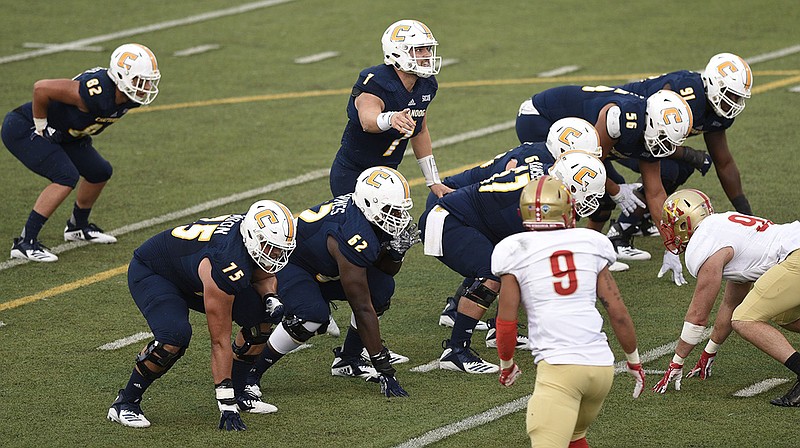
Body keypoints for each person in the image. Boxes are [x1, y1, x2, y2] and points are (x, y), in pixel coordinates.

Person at [107, 200, 297, 430]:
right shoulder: (225, 262)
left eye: (280, 248)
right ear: (253, 237)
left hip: (192, 272)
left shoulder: (251, 237)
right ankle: (125, 402)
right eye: (271, 247)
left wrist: (270, 296)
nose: (276, 254)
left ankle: (239, 392)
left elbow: (264, 273)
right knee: (173, 336)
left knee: (263, 320)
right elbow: (219, 340)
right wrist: (225, 405)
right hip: (156, 273)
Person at [420, 151, 607, 373]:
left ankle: (496, 330)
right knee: (493, 274)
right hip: (448, 220)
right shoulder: (539, 198)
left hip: (469, 220)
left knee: (507, 270)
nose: (589, 202)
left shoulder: (546, 180)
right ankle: (456, 350)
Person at [492, 175, 645, 448]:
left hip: (560, 369)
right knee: (575, 439)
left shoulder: (514, 249)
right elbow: (617, 310)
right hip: (601, 369)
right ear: (568, 211)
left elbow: (506, 320)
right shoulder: (590, 241)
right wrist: (633, 360)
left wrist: (506, 364)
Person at [241, 166, 414, 404]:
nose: (397, 216)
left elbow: (385, 271)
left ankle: (348, 360)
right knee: (311, 315)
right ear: (369, 203)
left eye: (399, 210)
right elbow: (361, 307)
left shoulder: (368, 216)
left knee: (382, 289)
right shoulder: (352, 231)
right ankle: (250, 374)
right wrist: (383, 366)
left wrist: (395, 255)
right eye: (390, 210)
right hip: (292, 266)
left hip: (324, 267)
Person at [433, 118, 622, 334]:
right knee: (507, 266)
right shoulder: (538, 174)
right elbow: (499, 192)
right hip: (451, 199)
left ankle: (474, 316)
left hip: (476, 208)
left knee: (500, 261)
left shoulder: (550, 169)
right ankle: (479, 327)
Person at [515, 86, 694, 282]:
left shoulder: (649, 127)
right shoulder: (619, 118)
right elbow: (588, 166)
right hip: (540, 117)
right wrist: (616, 190)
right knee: (561, 194)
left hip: (579, 137)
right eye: (663, 138)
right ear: (651, 123)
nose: (665, 147)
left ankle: (585, 254)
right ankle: (542, 259)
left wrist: (671, 247)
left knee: (602, 194)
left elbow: (656, 193)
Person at [3, 43, 161, 262]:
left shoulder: (129, 98)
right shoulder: (95, 90)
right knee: (65, 176)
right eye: (139, 80)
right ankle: (24, 242)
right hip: (26, 126)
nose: (145, 87)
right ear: (121, 76)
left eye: (148, 81)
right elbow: (41, 88)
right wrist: (41, 127)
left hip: (67, 133)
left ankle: (78, 226)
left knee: (99, 171)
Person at [652, 190, 800, 406]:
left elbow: (698, 315)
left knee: (744, 320)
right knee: (782, 314)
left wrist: (677, 361)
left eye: (673, 224)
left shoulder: (703, 244)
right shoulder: (723, 228)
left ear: (686, 223)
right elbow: (732, 301)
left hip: (794, 254)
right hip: (794, 246)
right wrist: (709, 351)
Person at [607, 53, 754, 263]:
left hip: (647, 139)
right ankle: (619, 232)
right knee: (667, 170)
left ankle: (644, 218)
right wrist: (688, 153)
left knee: (683, 167)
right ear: (714, 84)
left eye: (737, 97)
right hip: (624, 130)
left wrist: (746, 213)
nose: (733, 102)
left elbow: (724, 162)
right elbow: (650, 134)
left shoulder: (715, 111)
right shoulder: (686, 94)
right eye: (730, 95)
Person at [329, 19, 451, 200]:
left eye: (427, 48)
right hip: (353, 174)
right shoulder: (376, 81)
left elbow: (419, 131)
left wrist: (433, 180)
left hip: (388, 177)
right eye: (419, 50)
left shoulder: (426, 84)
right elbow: (367, 121)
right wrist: (390, 118)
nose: (426, 55)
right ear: (398, 52)